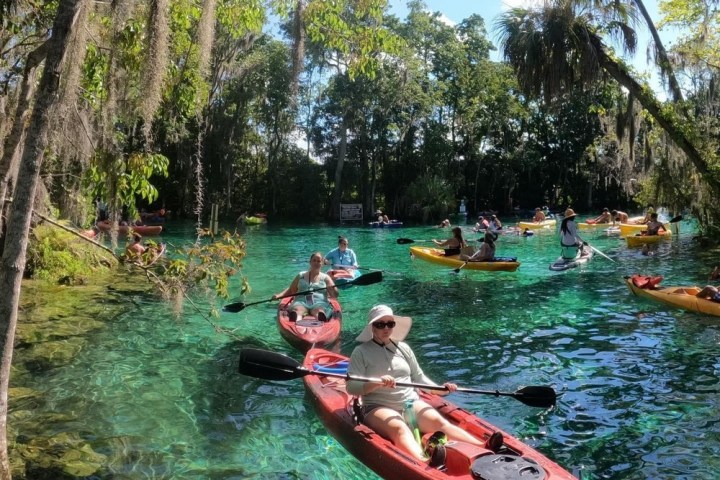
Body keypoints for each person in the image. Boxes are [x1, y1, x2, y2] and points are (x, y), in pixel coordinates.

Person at [346, 305, 487, 466]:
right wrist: (376, 383)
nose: (386, 328)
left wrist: (443, 390)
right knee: (399, 428)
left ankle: (484, 448)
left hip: (410, 402)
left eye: (390, 324)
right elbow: (352, 387)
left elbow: (420, 378)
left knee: (440, 423)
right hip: (378, 406)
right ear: (372, 327)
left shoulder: (404, 348)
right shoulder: (360, 351)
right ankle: (424, 461)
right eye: (380, 324)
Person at [272, 252, 338, 322]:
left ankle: (320, 318)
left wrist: (332, 289)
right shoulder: (301, 275)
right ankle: (296, 318)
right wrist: (279, 296)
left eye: (319, 261)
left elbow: (335, 295)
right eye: (314, 260)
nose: (316, 263)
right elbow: (291, 290)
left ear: (322, 264)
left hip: (320, 303)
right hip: (301, 302)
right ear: (310, 262)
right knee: (298, 309)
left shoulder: (326, 278)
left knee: (318, 310)